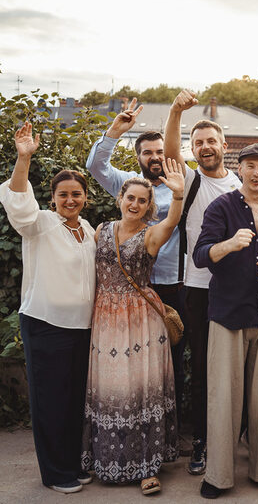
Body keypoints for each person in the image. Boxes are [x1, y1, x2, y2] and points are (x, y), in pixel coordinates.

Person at [0, 122, 96, 494]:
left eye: (76, 194)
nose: (70, 200)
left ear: (85, 197)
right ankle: (56, 473)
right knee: (51, 400)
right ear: (52, 197)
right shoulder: (39, 223)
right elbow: (18, 202)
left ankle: (71, 463)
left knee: (74, 399)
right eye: (62, 195)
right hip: (45, 324)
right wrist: (24, 158)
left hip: (80, 326)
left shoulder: (88, 229)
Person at [86, 98, 189, 441]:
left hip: (170, 284)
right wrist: (116, 130)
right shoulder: (129, 186)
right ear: (139, 157)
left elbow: (175, 219)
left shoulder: (180, 182)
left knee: (170, 365)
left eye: (160, 151)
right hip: (129, 293)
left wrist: (177, 195)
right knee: (128, 371)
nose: (155, 157)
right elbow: (96, 165)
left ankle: (166, 434)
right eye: (147, 152)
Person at [193, 144, 258, 499]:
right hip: (228, 315)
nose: (256, 172)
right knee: (223, 398)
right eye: (250, 165)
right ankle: (217, 476)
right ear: (240, 169)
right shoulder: (221, 207)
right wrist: (230, 244)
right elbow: (201, 255)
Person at [81, 159, 185, 494]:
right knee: (109, 391)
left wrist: (179, 196)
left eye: (142, 200)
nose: (135, 204)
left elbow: (172, 221)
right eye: (131, 198)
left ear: (148, 206)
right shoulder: (101, 230)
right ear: (120, 199)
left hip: (141, 321)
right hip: (105, 320)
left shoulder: (151, 234)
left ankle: (147, 467)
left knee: (140, 392)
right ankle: (106, 460)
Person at [163, 89, 242, 475]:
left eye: (211, 140)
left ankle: (235, 437)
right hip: (197, 287)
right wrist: (177, 111)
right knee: (202, 369)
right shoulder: (191, 181)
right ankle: (201, 443)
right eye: (199, 143)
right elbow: (169, 152)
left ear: (224, 144)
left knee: (237, 366)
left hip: (239, 288)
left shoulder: (242, 185)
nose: (205, 147)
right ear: (193, 151)